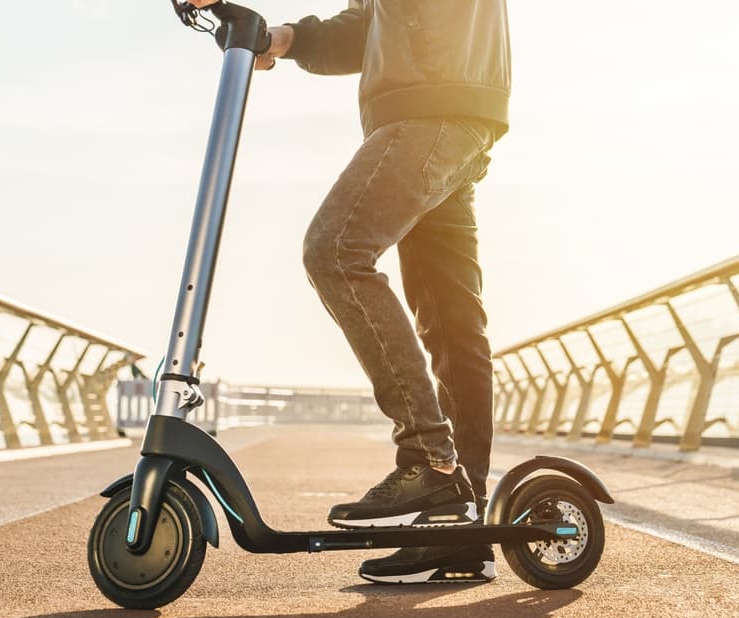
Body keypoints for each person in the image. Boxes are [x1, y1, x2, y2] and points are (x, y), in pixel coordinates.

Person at [189, 0, 511, 584]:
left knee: (336, 251)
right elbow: (370, 25)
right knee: (450, 321)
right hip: (454, 112)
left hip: (431, 110)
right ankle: (458, 525)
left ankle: (429, 459)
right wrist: (282, 40)